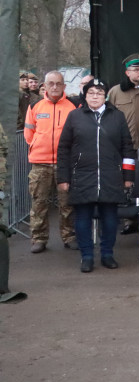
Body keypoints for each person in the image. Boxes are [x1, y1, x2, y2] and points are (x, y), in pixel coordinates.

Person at [56, 78, 135, 272]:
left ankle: (107, 254)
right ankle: (87, 256)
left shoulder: (117, 116)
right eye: (91, 92)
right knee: (82, 218)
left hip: (110, 176)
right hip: (82, 176)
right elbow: (63, 149)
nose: (95, 96)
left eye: (99, 93)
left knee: (110, 219)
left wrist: (128, 177)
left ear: (105, 96)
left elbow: (127, 148)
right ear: (85, 95)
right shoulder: (75, 116)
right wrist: (63, 178)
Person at [23, 71, 77, 253]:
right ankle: (39, 238)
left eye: (58, 83)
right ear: (44, 86)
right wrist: (39, 146)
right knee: (39, 204)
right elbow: (28, 134)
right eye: (51, 83)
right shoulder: (35, 106)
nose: (54, 87)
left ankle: (69, 236)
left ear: (64, 86)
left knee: (67, 204)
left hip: (65, 164)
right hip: (40, 163)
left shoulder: (73, 106)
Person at [105, 53, 139, 150]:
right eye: (136, 70)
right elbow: (107, 118)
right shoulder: (115, 92)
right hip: (124, 146)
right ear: (127, 73)